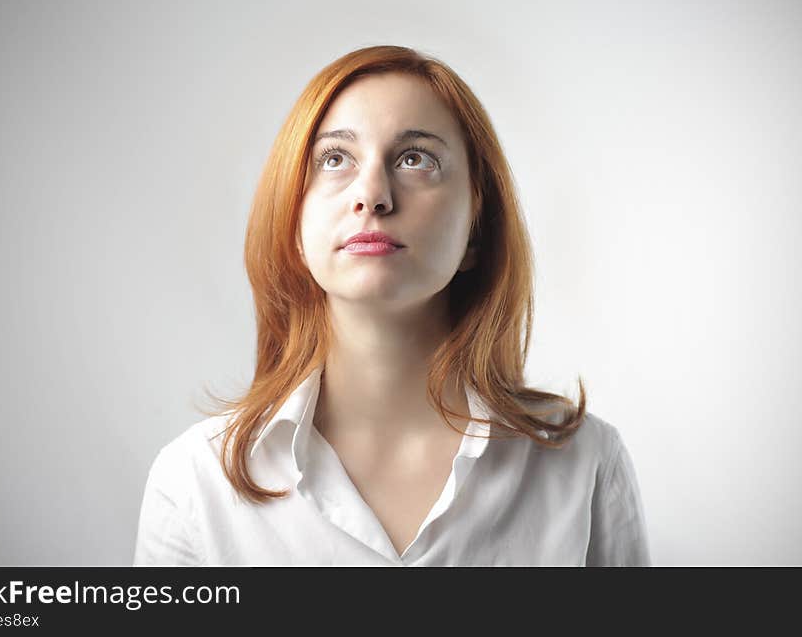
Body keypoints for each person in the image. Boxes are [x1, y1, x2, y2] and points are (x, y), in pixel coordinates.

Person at [132, 45, 652, 566]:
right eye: (335, 159)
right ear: (294, 225)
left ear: (476, 230)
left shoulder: (586, 466)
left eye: (415, 159)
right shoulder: (195, 482)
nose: (373, 195)